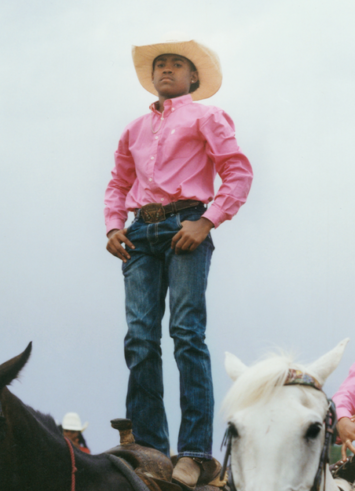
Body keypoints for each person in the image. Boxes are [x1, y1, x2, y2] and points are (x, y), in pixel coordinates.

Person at [104, 33, 253, 489]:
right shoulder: (133, 128)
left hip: (186, 225)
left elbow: (238, 171)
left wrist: (206, 222)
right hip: (140, 233)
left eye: (176, 64)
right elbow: (117, 181)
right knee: (140, 339)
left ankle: (193, 452)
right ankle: (150, 447)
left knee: (187, 333)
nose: (166, 69)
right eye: (160, 65)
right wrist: (113, 224)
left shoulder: (208, 116)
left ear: (193, 77)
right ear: (152, 78)